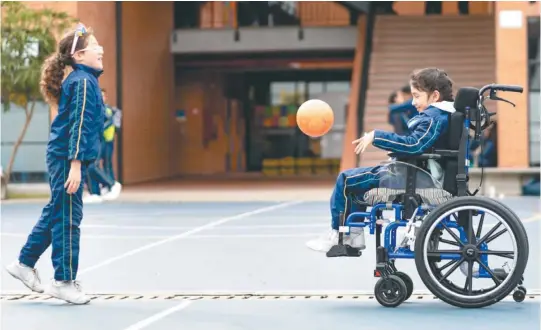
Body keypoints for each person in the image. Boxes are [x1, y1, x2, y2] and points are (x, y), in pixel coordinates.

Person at [4, 24, 104, 304]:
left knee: (58, 212)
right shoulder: (83, 81)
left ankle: (24, 264)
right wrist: (75, 164)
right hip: (66, 158)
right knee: (69, 218)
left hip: (64, 156)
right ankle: (63, 281)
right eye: (96, 46)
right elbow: (79, 125)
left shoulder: (82, 79)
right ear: (81, 55)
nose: (101, 49)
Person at [306, 68, 456, 253]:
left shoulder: (433, 117)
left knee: (345, 180)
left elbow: (414, 145)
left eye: (417, 96)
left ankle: (341, 235)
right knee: (357, 188)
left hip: (414, 175)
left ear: (434, 96)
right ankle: (352, 235)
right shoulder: (445, 114)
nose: (413, 102)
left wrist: (376, 136)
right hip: (419, 171)